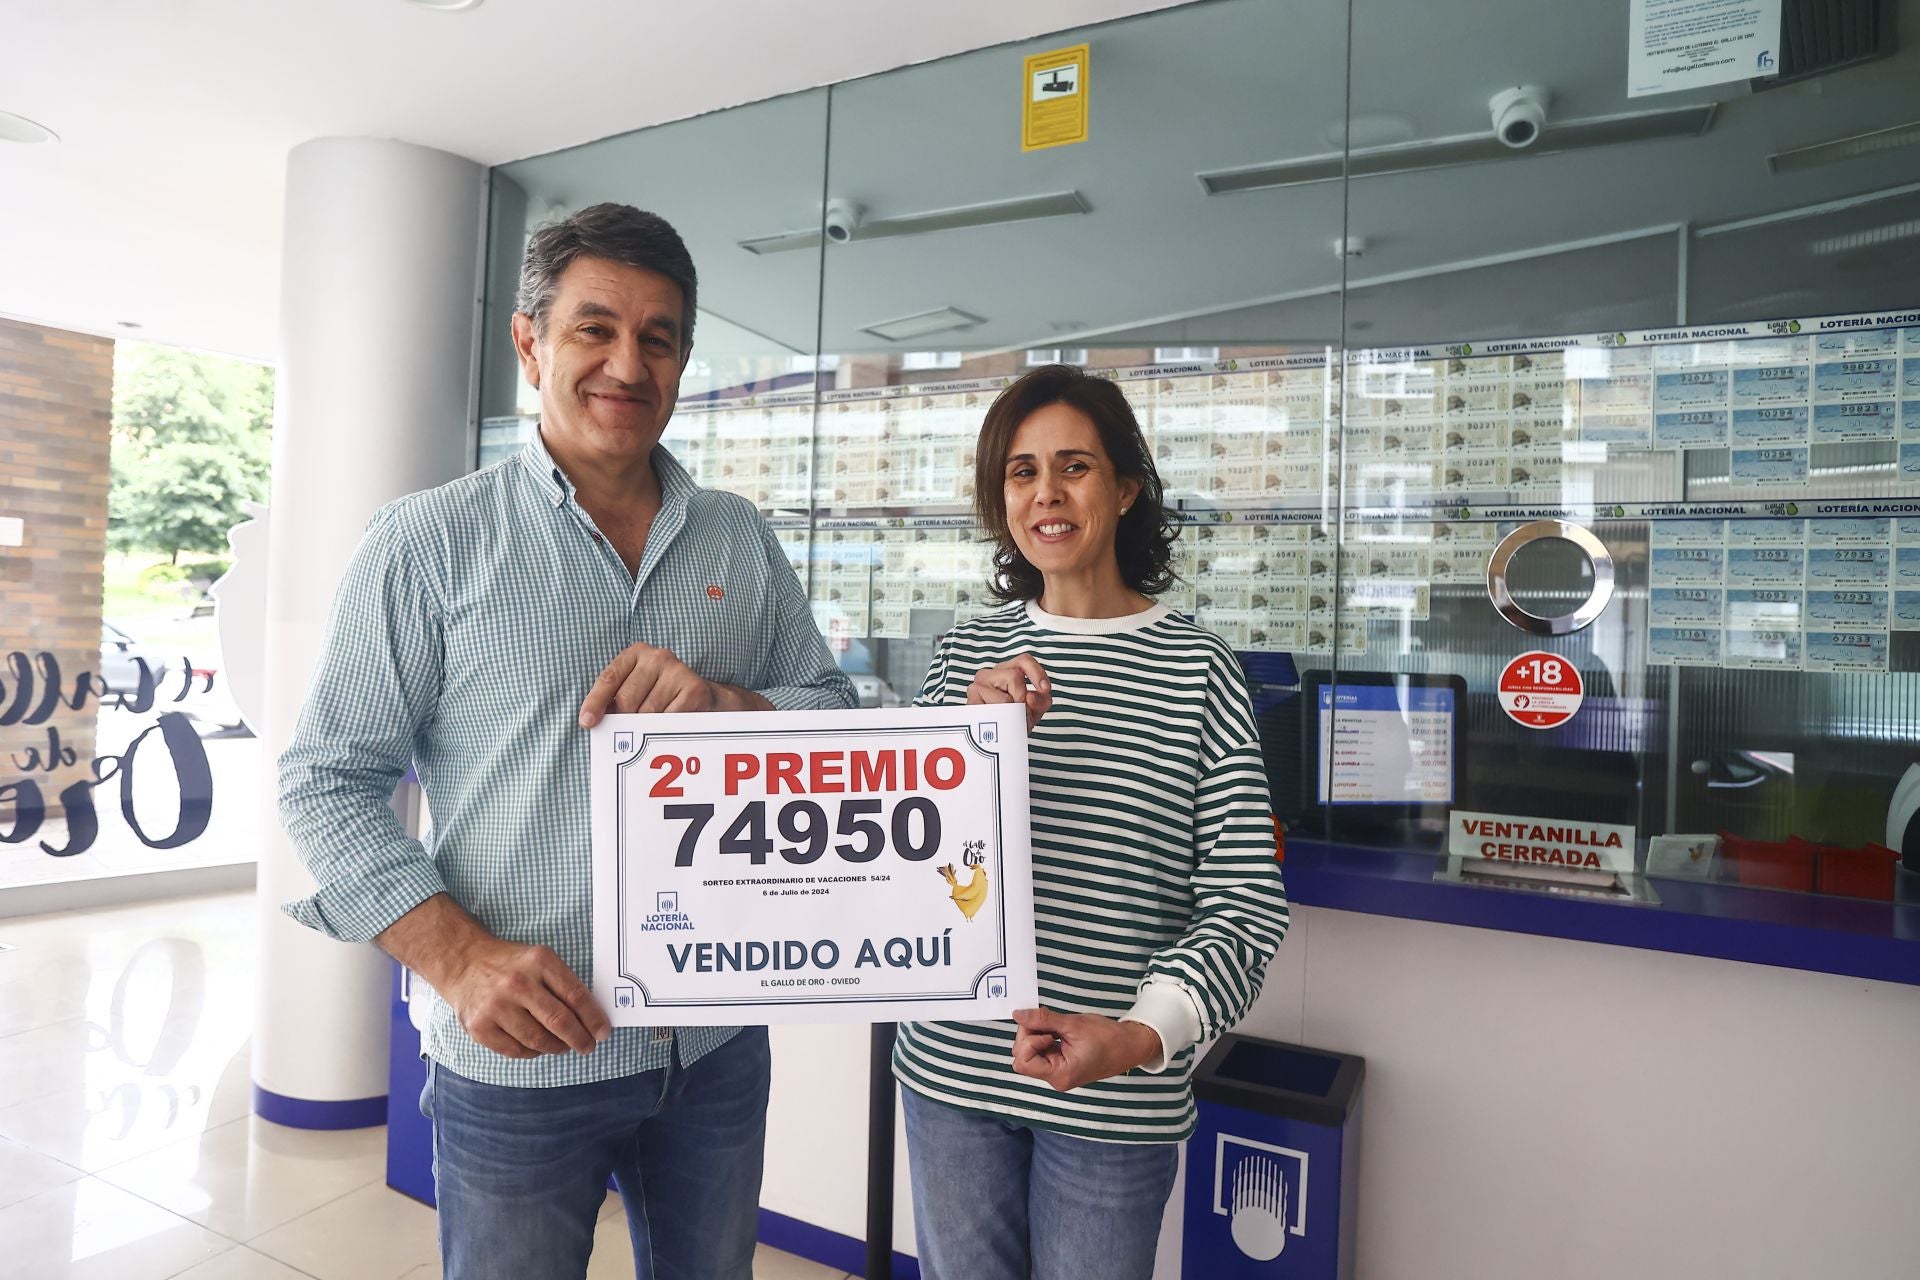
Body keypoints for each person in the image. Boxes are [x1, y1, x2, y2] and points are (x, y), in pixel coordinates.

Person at [278, 203, 855, 1280]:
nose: (627, 364)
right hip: (521, 1060)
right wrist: (455, 956)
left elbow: (829, 707)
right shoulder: (428, 541)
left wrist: (732, 707)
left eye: (659, 337)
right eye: (595, 328)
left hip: (716, 1051)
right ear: (530, 340)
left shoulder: (737, 534)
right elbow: (325, 780)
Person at [893, 364, 1289, 1280]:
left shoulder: (1202, 672)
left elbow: (1243, 904)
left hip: (1114, 1093)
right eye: (1022, 472)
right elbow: (911, 875)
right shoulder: (965, 654)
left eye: (1074, 466)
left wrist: (1144, 1033)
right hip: (954, 1076)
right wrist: (970, 742)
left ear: (1125, 488)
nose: (1048, 494)